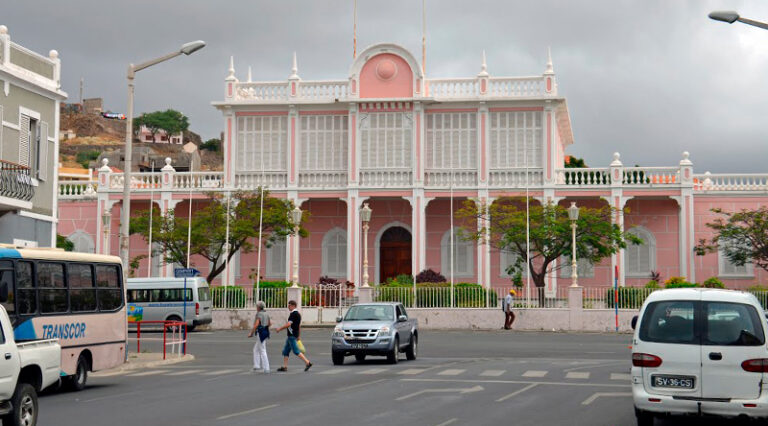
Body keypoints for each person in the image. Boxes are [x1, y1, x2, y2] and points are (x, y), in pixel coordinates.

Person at [275, 300, 312, 372]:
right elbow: (298, 326)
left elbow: (289, 324)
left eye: (289, 305)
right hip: (292, 335)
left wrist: (279, 329)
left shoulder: (293, 314)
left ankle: (308, 363)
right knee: (286, 351)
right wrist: (298, 335)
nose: (288, 307)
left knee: (296, 351)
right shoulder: (298, 314)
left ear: (293, 306)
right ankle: (285, 367)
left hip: (292, 335)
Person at [248, 300, 271, 373]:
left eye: (257, 306)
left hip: (260, 332)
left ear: (259, 307)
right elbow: (269, 323)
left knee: (262, 349)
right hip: (265, 332)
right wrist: (265, 326)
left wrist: (251, 333)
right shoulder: (266, 313)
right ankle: (256, 366)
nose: (256, 307)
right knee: (256, 349)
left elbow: (256, 324)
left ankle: (266, 368)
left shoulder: (259, 314)